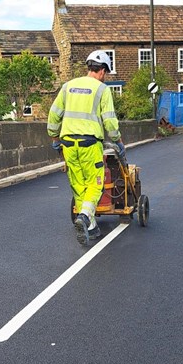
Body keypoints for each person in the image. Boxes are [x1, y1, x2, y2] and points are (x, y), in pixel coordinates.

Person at [48, 50, 124, 245]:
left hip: (68, 144)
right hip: (90, 144)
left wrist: (55, 139)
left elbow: (54, 115)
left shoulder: (68, 86)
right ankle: (84, 216)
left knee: (78, 185)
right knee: (95, 184)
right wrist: (118, 140)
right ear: (103, 71)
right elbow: (109, 121)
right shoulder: (101, 89)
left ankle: (91, 227)